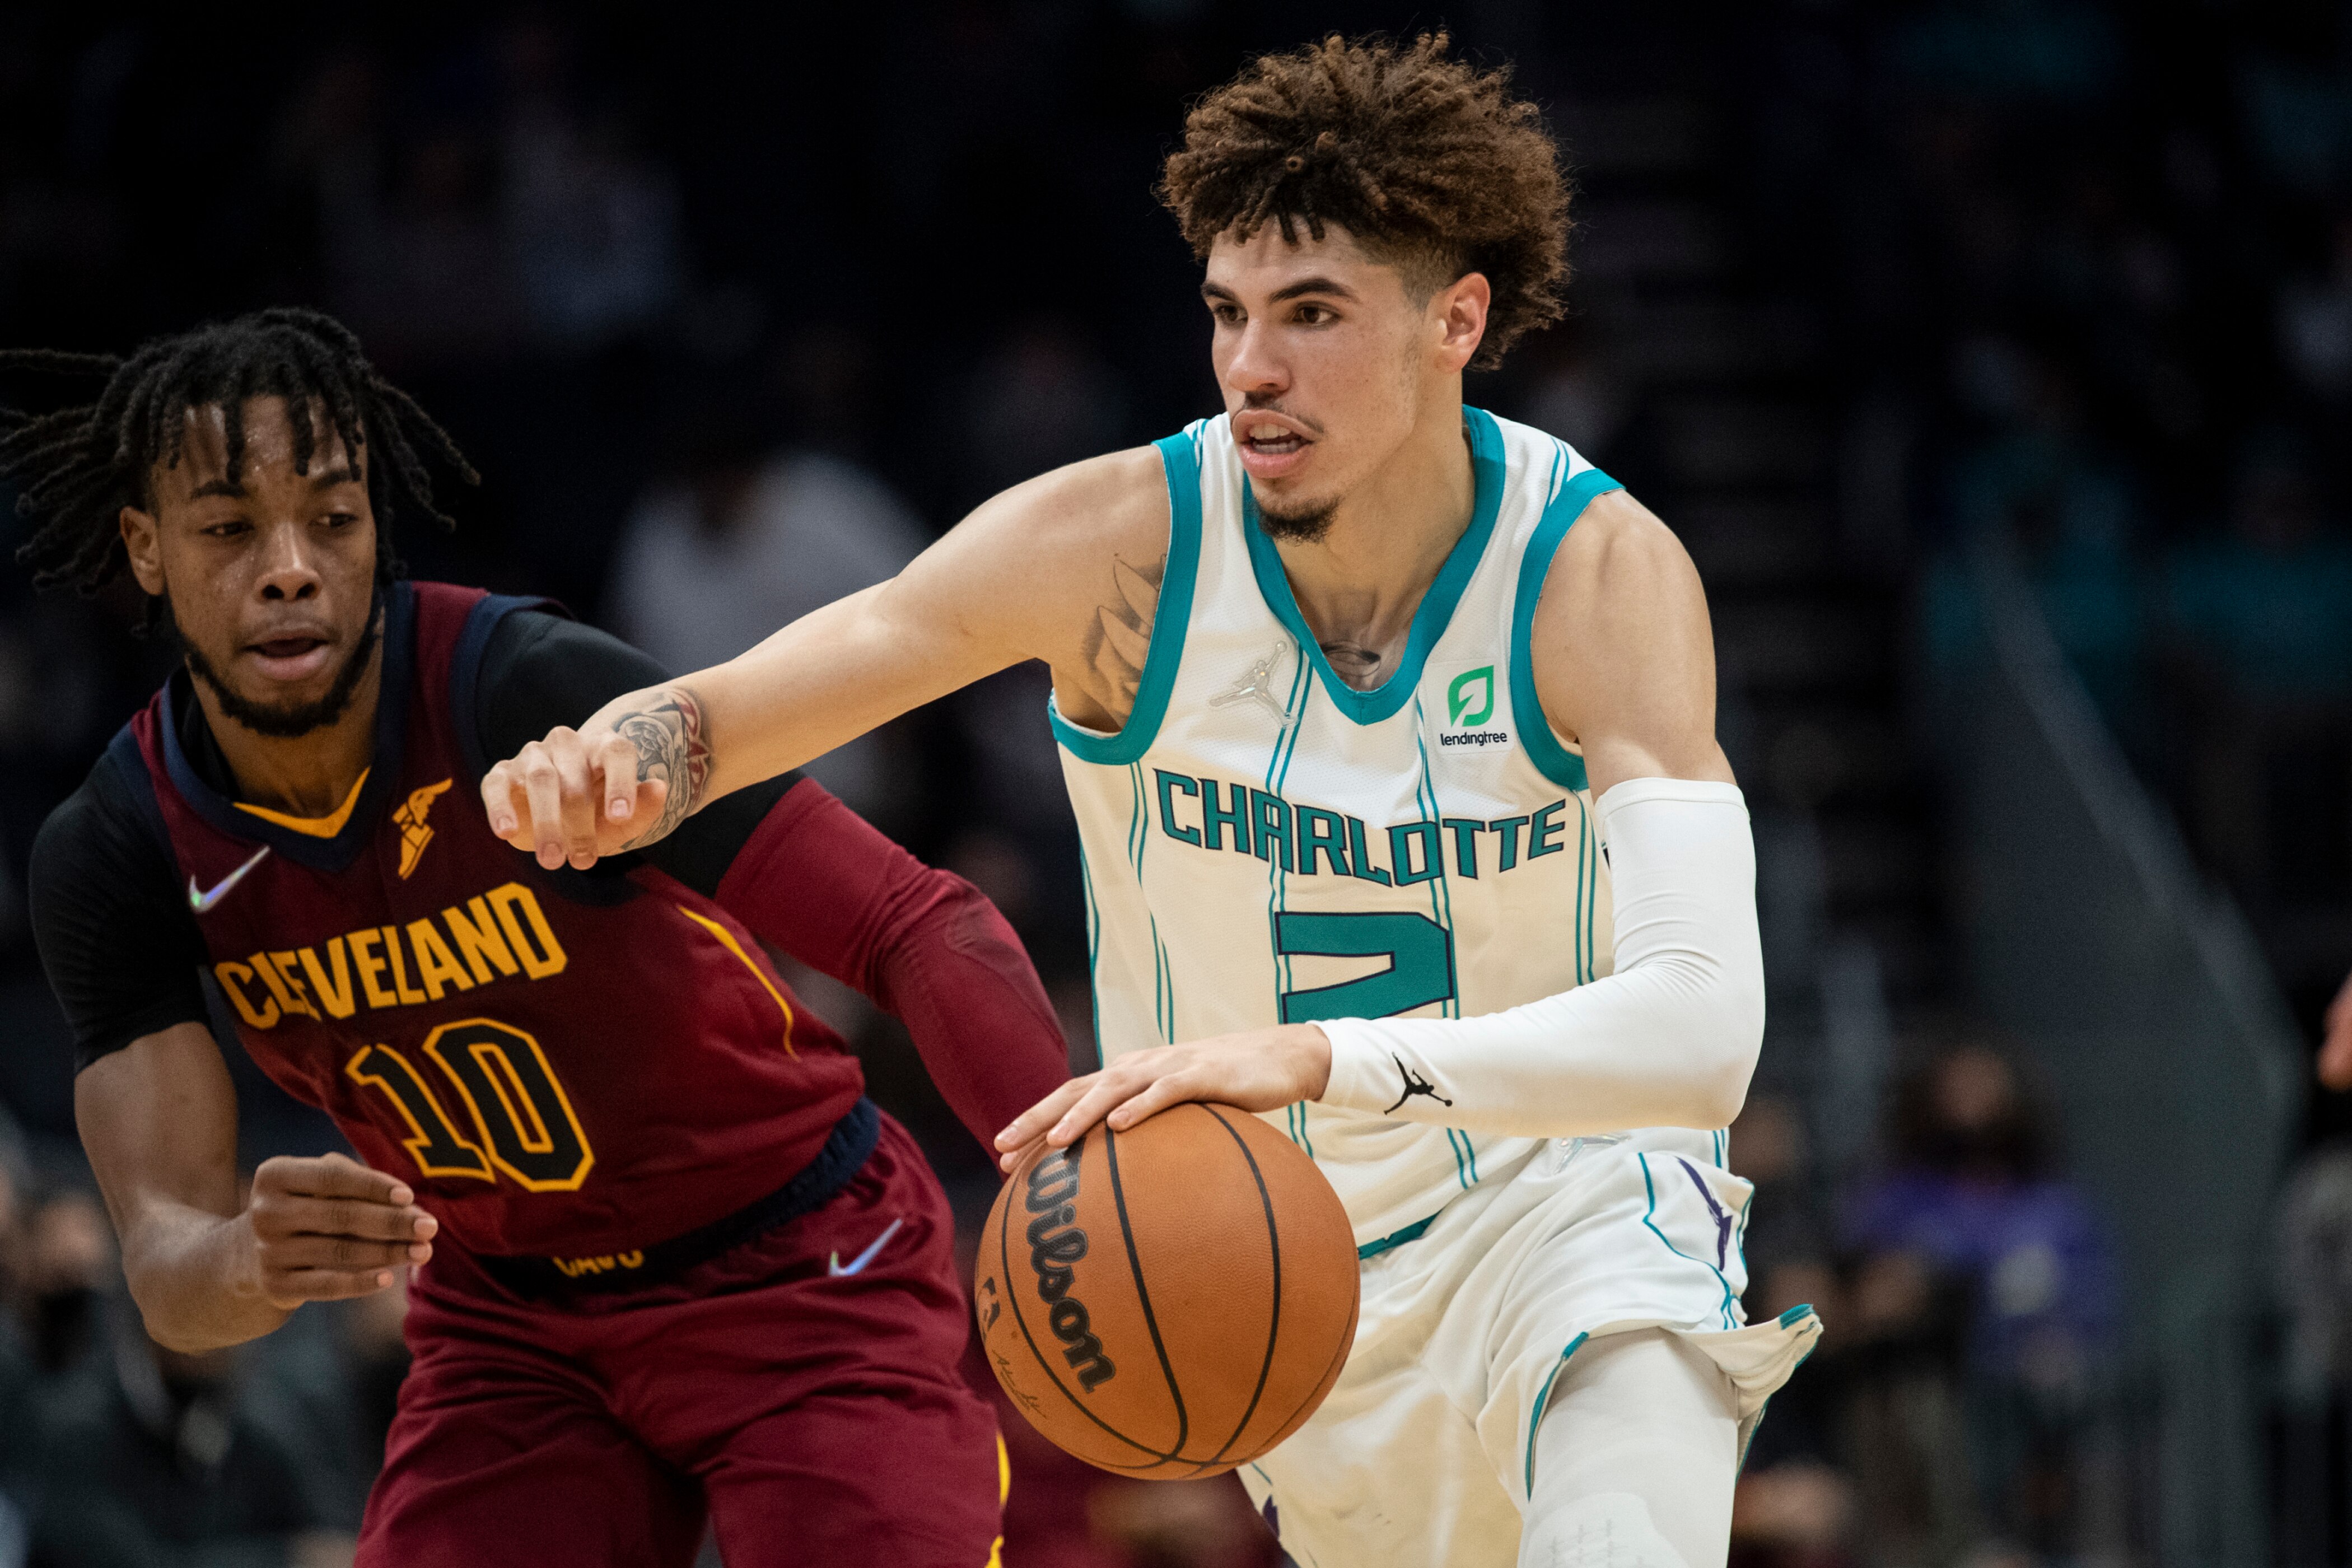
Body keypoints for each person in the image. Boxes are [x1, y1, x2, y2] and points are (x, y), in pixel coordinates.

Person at [483, 34, 1819, 1568]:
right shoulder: (1119, 549)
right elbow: (777, 688)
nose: (1253, 367)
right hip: (1264, 1269)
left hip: (1566, 1205)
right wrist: (624, 752)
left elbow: (1704, 1030)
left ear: (1457, 321)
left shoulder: (1594, 574)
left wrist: (1317, 1056)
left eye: (1313, 315)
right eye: (1231, 314)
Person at [1, 309, 1070, 1567]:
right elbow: (172, 1267)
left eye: (333, 521)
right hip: (514, 1330)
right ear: (146, 547)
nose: (289, 567)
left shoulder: (519, 689)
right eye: (230, 528)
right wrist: (243, 1254)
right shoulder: (117, 847)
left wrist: (1075, 1181)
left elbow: (911, 918)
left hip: (800, 1261)